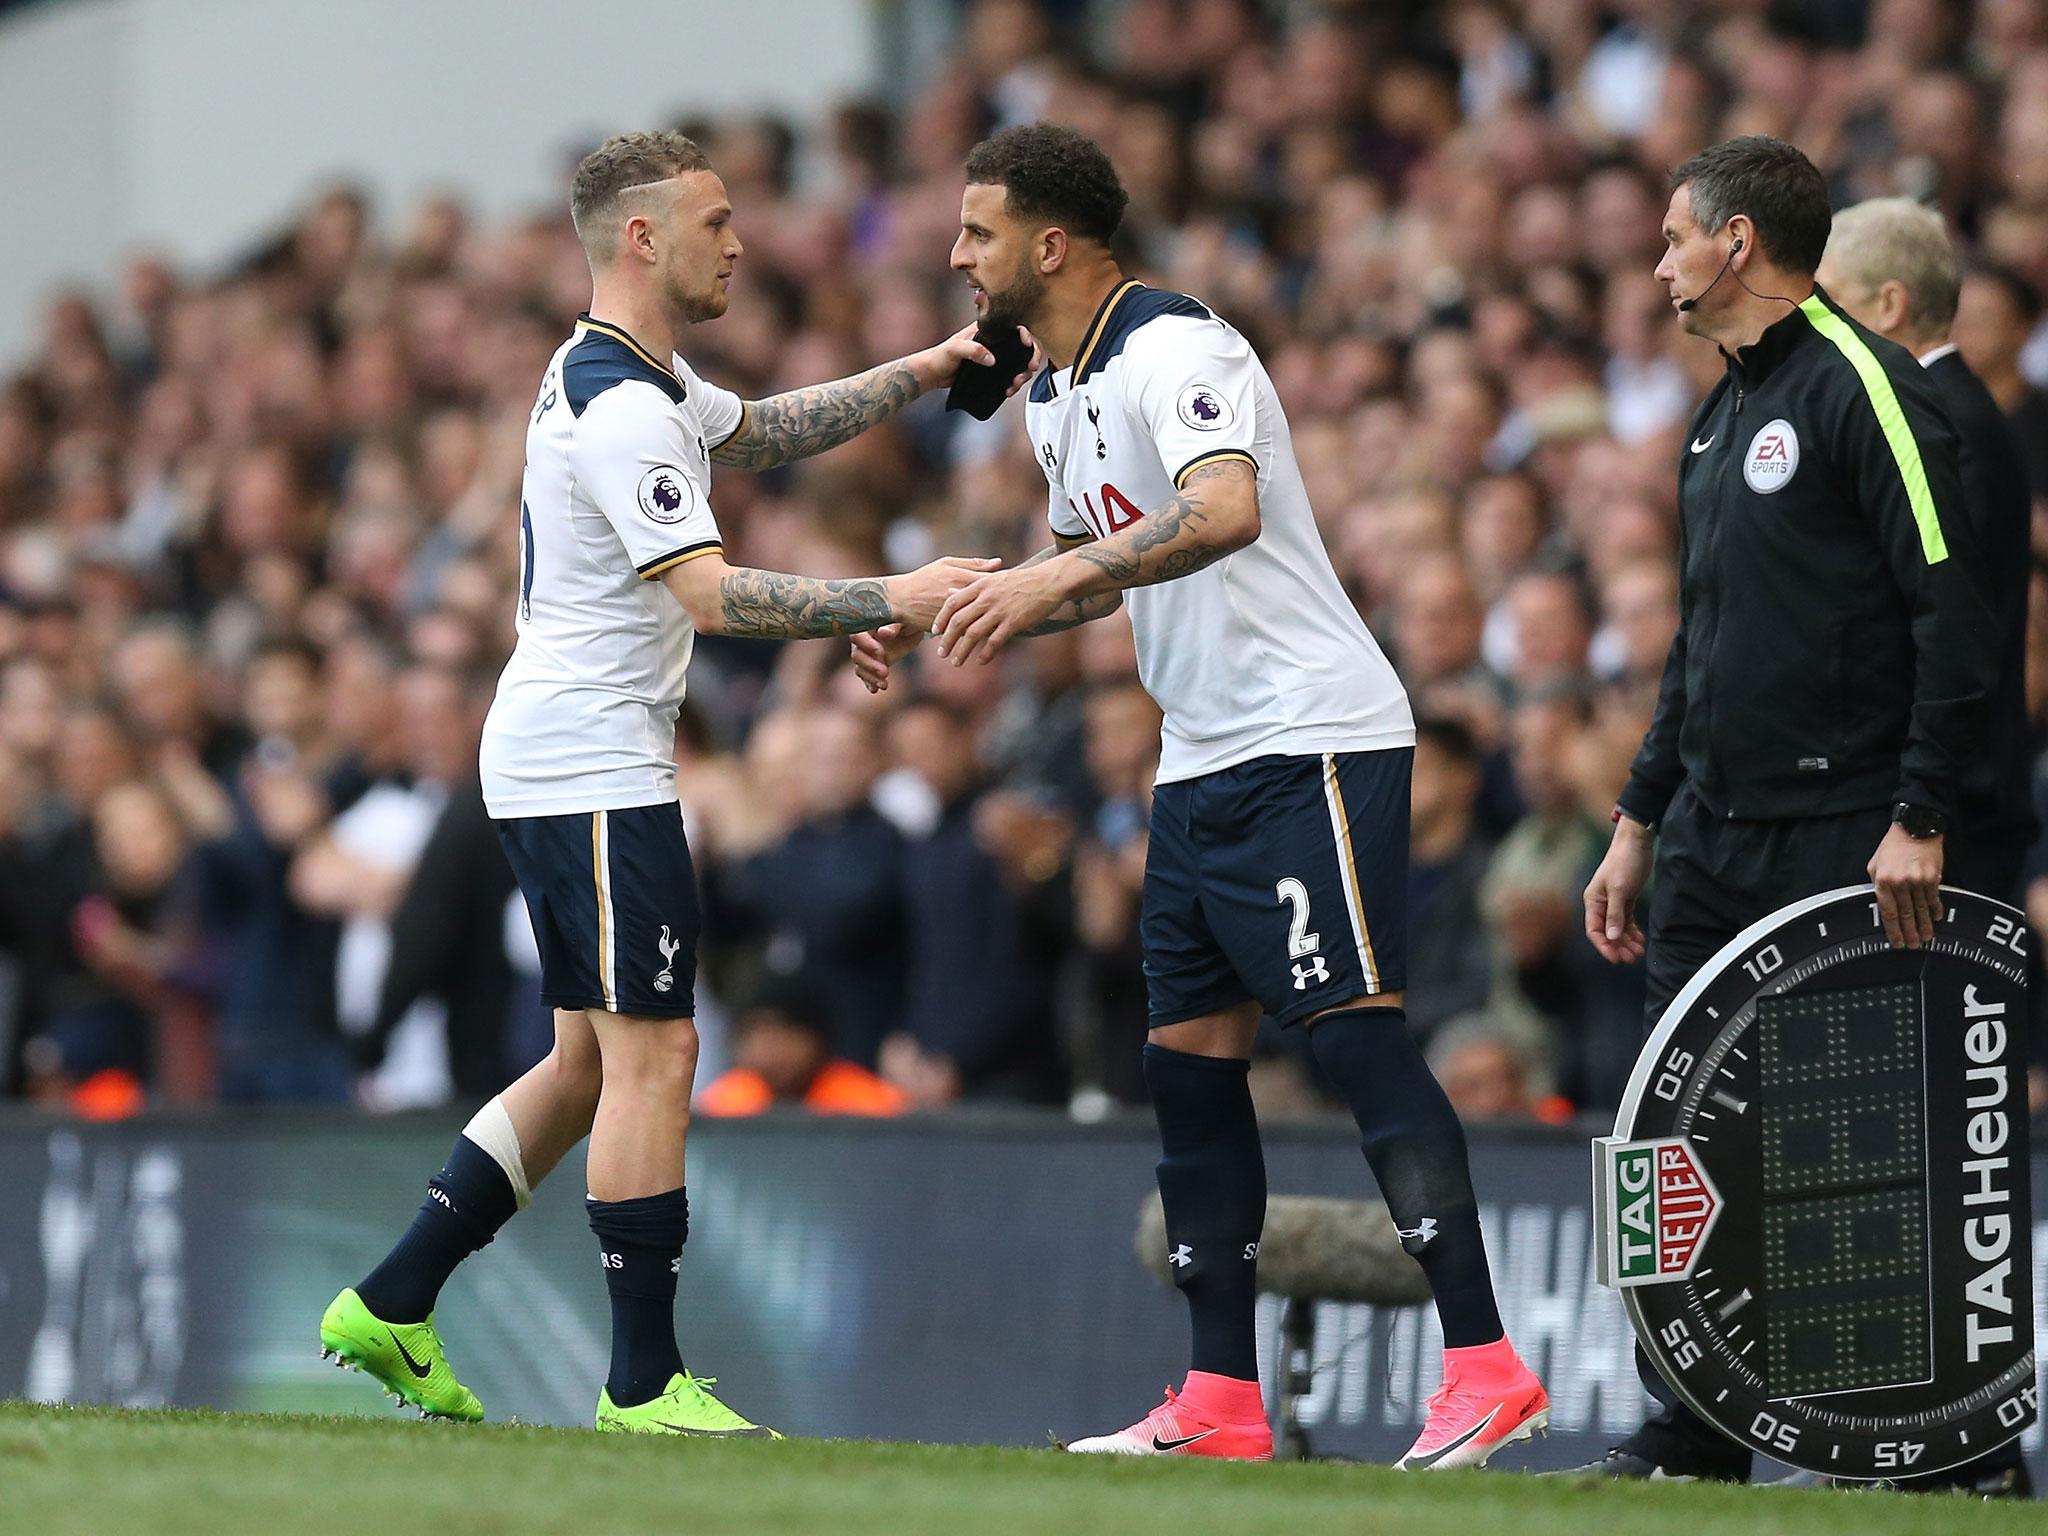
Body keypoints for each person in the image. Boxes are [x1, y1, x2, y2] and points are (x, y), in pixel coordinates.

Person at [860, 123, 1547, 1469]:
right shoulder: (1054, 395)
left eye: (977, 233)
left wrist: (1046, 579)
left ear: (1049, 246)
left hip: (1310, 739)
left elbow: (1222, 509)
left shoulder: (1178, 346)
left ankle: (1486, 1365)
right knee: (1188, 1073)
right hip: (1199, 763)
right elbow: (1107, 569)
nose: (955, 256)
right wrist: (948, 597)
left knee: (1353, 1039)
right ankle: (1221, 1397)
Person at [319, 130, 1021, 1437]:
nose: (738, 241)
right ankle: (642, 1385)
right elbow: (707, 590)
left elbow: (755, 432)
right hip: (590, 754)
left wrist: (925, 371)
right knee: (659, 1052)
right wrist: (891, 595)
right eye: (714, 220)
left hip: (560, 745)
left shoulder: (622, 376)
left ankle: (395, 1298)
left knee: (589, 1064)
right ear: (641, 239)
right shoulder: (621, 404)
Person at [1577, 138, 1995, 1484]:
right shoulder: (1717, 412)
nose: (1659, 264)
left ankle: (1906, 1445)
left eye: (1673, 239)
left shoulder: (1863, 391)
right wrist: (1638, 818)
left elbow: (1957, 610)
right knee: (1663, 1136)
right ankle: (1684, 1425)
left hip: (1839, 831)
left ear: (1739, 243)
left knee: (1847, 1150)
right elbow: (1704, 651)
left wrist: (1921, 810)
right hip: (1708, 831)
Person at [1803, 197, 2034, 1499]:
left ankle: (1967, 1443)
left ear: (1889, 309)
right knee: (1922, 1129)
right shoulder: (1962, 423)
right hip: (1946, 819)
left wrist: (1919, 810)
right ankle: (1938, 1436)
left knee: (1938, 1137)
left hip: (1944, 834)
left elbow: (1939, 650)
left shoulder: (1940, 427)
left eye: (1831, 302)